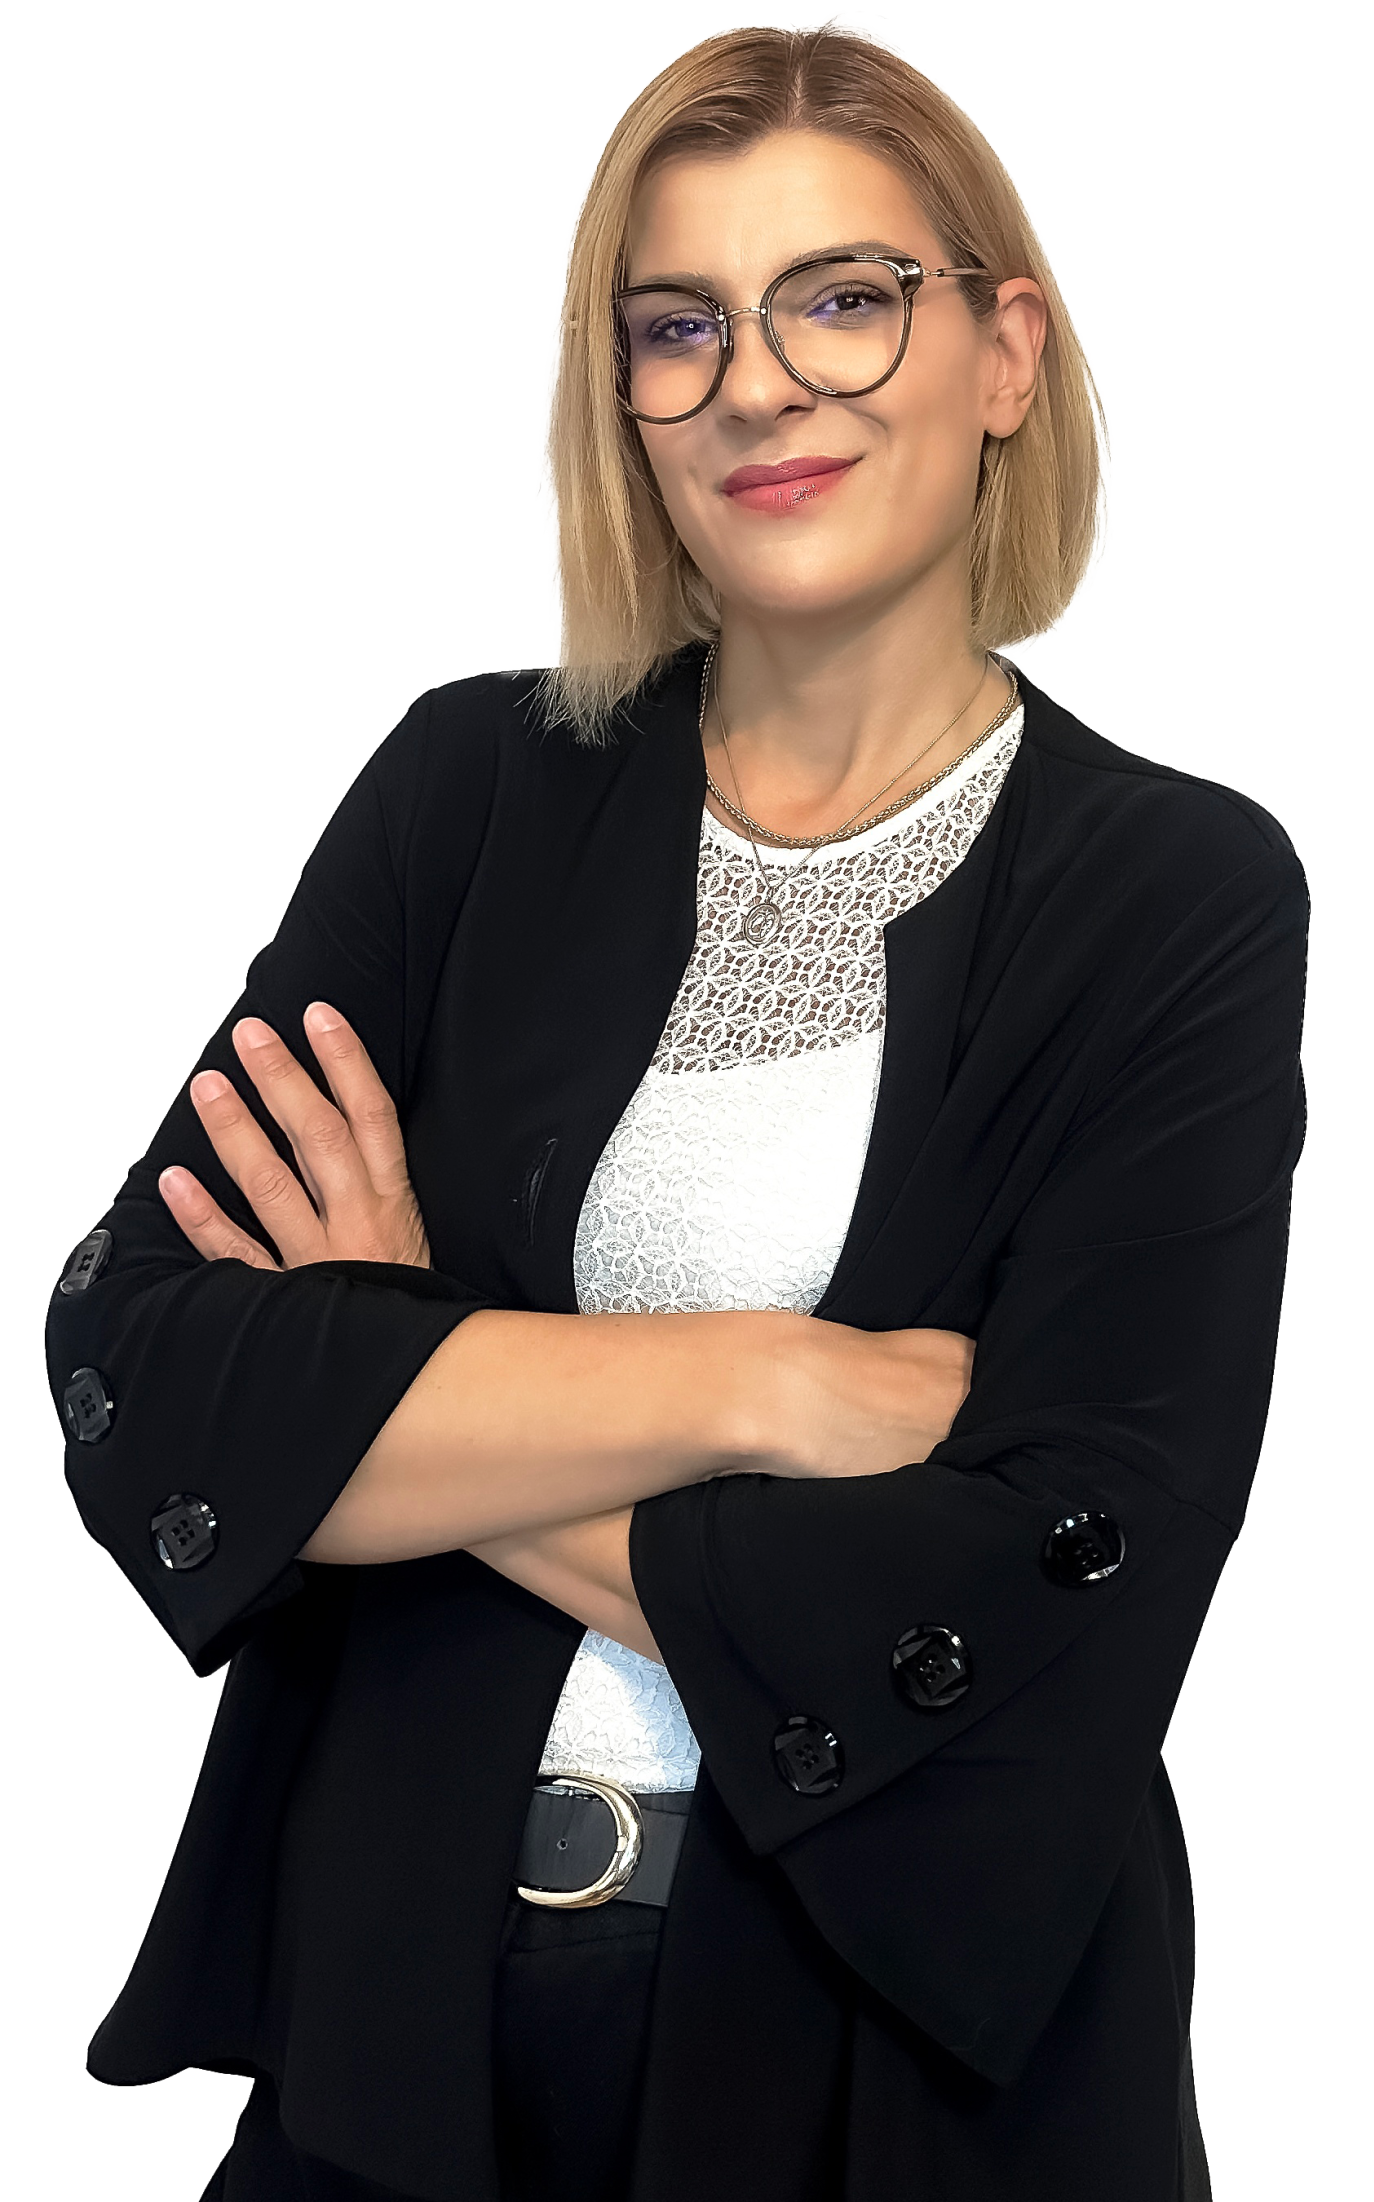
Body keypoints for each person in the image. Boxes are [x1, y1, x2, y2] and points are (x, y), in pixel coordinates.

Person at [48, 15, 1304, 2200]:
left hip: (885, 2066)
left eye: (844, 298)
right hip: (391, 2032)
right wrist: (767, 1386)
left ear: (1005, 354)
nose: (758, 385)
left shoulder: (1177, 891)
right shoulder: (468, 788)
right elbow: (137, 1369)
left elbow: (1049, 1593)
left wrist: (395, 1376)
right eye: (678, 324)